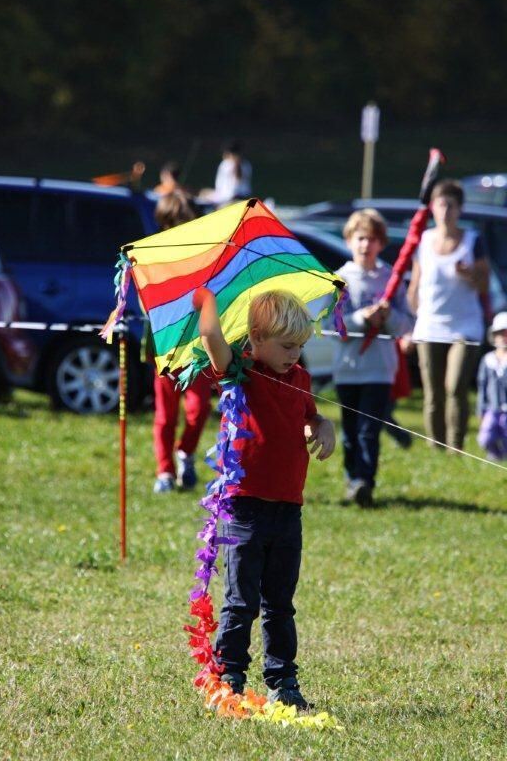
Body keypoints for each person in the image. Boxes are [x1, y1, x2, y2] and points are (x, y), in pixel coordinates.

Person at [193, 287, 335, 708]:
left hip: (288, 509)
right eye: (287, 345)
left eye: (300, 346)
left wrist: (322, 426)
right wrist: (208, 307)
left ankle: (283, 682)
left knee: (280, 604)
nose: (295, 354)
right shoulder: (241, 372)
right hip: (244, 509)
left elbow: (310, 416)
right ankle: (229, 678)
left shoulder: (301, 379)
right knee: (241, 602)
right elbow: (213, 342)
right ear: (256, 338)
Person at [333, 209, 413, 506]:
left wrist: (388, 316)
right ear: (349, 240)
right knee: (351, 432)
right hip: (348, 368)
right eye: (360, 238)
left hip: (379, 369)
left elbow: (407, 323)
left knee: (369, 431)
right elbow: (333, 324)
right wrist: (360, 319)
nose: (366, 245)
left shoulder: (390, 278)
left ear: (381, 243)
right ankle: (352, 478)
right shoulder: (340, 278)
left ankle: (365, 481)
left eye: (372, 239)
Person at [407, 179, 489, 450]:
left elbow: (485, 285)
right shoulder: (424, 240)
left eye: (450, 205)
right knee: (433, 394)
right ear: (432, 207)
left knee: (455, 387)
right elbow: (415, 285)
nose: (445, 211)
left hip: (465, 326)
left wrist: (469, 275)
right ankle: (436, 447)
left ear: (460, 209)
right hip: (430, 325)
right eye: (440, 204)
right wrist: (414, 318)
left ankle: (456, 446)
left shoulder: (472, 241)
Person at [147, 192, 212, 493]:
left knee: (199, 409)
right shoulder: (153, 257)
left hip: (196, 348)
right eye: (175, 224)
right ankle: (165, 471)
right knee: (165, 414)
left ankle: (185, 452)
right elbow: (146, 300)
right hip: (165, 348)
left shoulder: (201, 257)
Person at [476, 311, 507, 460]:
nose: (503, 337)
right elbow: (482, 386)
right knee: (486, 436)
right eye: (500, 333)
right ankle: (495, 455)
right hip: (492, 408)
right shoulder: (488, 360)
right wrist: (481, 408)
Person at [199, 140, 252, 206]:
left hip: (228, 197)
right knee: (204, 192)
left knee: (202, 194)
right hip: (244, 195)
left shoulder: (226, 164)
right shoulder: (247, 164)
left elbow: (236, 181)